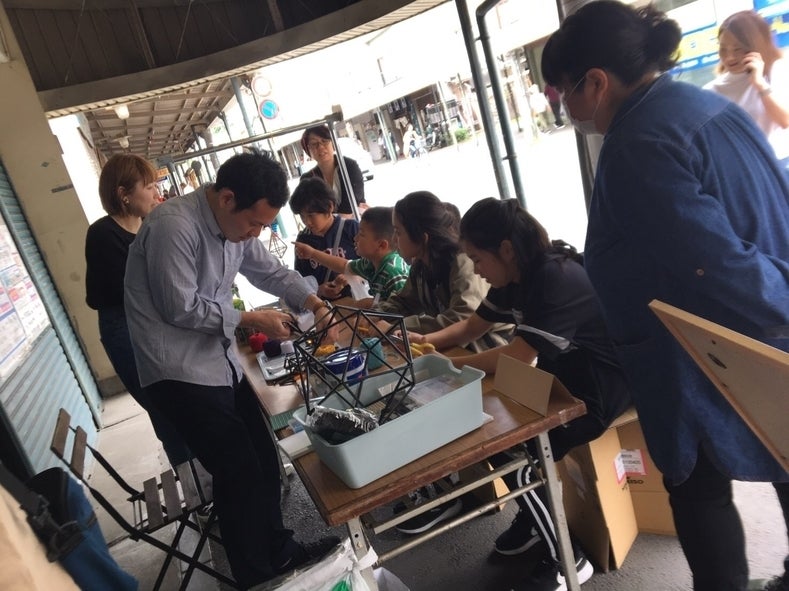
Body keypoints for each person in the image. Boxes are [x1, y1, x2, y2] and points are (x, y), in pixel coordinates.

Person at [541, 3, 789, 590]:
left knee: (698, 487)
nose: (562, 109)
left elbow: (714, 264)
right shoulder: (698, 104)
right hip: (752, 326)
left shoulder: (637, 144)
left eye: (559, 94)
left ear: (595, 82)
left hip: (707, 348)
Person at [123, 150, 339, 589]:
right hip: (178, 372)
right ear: (226, 199)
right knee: (237, 470)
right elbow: (179, 306)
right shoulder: (173, 226)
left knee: (263, 458)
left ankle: (279, 551)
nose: (256, 233)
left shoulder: (236, 226)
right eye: (254, 223)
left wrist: (314, 303)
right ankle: (256, 577)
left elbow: (271, 272)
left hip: (216, 363)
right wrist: (250, 318)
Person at [408, 198, 631, 590]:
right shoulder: (514, 276)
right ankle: (535, 518)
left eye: (478, 259)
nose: (477, 269)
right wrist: (422, 342)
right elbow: (470, 328)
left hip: (600, 389)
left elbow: (517, 357)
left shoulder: (553, 278)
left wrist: (446, 367)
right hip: (562, 377)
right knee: (495, 438)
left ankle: (568, 558)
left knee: (518, 455)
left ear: (506, 249)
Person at [85, 154, 191, 467]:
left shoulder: (147, 226)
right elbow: (141, 287)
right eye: (149, 186)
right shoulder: (103, 234)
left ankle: (205, 477)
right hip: (125, 331)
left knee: (183, 403)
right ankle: (196, 484)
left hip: (154, 324)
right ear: (124, 194)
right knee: (164, 408)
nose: (156, 192)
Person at [378, 191, 512, 353]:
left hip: (486, 346)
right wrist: (375, 315)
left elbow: (462, 318)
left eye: (398, 232)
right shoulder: (421, 265)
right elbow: (404, 302)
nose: (394, 239)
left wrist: (397, 327)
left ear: (422, 237)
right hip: (452, 344)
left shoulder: (463, 261)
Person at [705, 10, 789, 165]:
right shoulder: (711, 91)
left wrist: (759, 84)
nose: (729, 57)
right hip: (745, 167)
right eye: (723, 48)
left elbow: (785, 121)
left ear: (754, 46)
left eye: (737, 49)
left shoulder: (777, 70)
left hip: (780, 161)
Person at [293, 206, 410, 306]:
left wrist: (372, 304)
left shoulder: (394, 274)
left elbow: (403, 311)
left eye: (362, 234)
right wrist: (312, 253)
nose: (355, 238)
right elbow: (344, 265)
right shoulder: (370, 262)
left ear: (381, 245)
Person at [290, 177, 360, 300]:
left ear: (329, 207)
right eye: (302, 216)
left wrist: (353, 277)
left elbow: (373, 265)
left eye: (311, 215)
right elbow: (301, 280)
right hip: (327, 307)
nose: (307, 222)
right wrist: (319, 290)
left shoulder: (351, 228)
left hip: (359, 300)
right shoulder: (303, 240)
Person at [299, 125, 366, 216]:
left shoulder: (349, 166)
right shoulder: (307, 179)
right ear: (308, 150)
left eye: (324, 141)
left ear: (333, 144)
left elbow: (352, 203)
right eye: (314, 144)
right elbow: (312, 211)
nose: (320, 147)